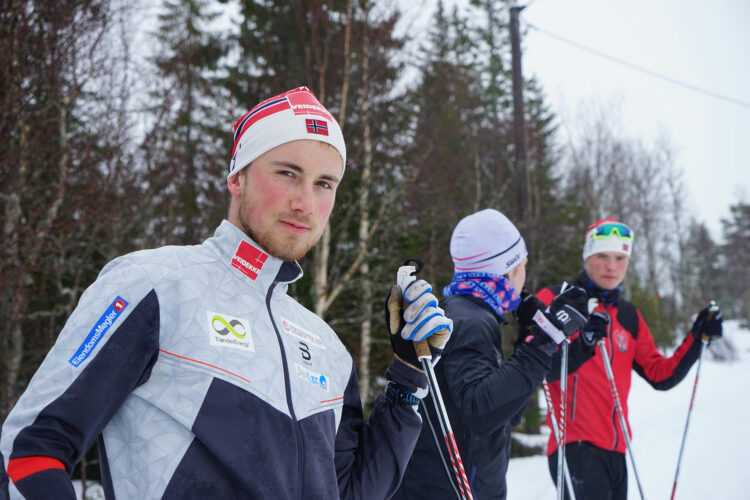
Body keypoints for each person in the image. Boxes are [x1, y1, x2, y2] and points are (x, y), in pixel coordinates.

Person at [0, 86, 453, 499]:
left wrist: (407, 378)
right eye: (288, 174)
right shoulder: (155, 284)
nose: (305, 203)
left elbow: (350, 493)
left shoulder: (325, 346)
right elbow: (30, 453)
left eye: (324, 184)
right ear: (237, 177)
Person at [394, 208, 592, 500]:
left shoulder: (459, 310)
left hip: (442, 484)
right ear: (511, 270)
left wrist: (531, 333)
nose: (525, 274)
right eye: (523, 265)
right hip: (455, 488)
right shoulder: (473, 322)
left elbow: (503, 411)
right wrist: (542, 342)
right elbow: (480, 412)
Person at [538, 218, 724, 500]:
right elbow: (539, 367)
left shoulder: (627, 316)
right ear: (588, 256)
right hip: (573, 446)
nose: (612, 266)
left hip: (617, 451)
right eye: (602, 256)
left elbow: (660, 374)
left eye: (620, 257)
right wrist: (583, 343)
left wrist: (697, 339)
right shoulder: (556, 298)